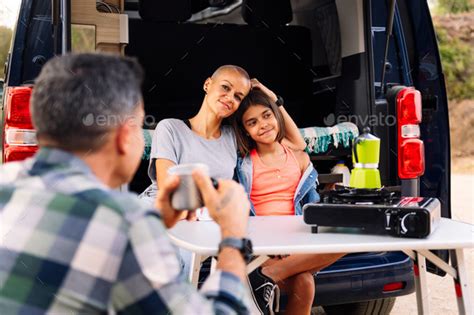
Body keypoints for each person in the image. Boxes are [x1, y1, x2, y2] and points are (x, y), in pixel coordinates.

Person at [0, 53, 254, 314]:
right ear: (124, 136)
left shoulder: (6, 184)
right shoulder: (126, 221)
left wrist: (155, 222)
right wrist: (233, 240)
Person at [233, 86, 345, 315]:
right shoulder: (243, 163)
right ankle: (263, 275)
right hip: (261, 248)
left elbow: (299, 142)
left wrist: (273, 97)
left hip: (296, 243)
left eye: (267, 115)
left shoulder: (298, 157)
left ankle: (265, 279)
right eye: (252, 122)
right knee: (304, 281)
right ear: (245, 131)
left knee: (346, 235)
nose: (263, 125)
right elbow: (239, 214)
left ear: (277, 115)